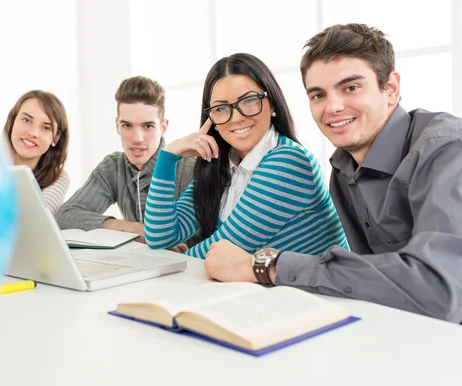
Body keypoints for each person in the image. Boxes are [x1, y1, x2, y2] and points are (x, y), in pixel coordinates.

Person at [204, 24, 462, 323]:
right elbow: (372, 281)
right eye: (318, 95)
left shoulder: (446, 150)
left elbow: (442, 289)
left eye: (351, 87)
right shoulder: (343, 168)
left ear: (390, 89)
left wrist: (268, 266)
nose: (333, 107)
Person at [144, 53, 348, 259]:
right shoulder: (221, 166)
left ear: (273, 104)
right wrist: (168, 157)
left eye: (249, 101)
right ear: (211, 118)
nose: (238, 117)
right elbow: (159, 238)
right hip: (266, 289)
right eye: (221, 108)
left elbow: (218, 252)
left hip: (318, 291)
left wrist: (176, 259)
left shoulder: (290, 161)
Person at [56, 76, 195, 249]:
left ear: (163, 127)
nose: (137, 138)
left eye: (148, 126)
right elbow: (65, 217)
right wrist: (131, 228)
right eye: (127, 125)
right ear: (117, 125)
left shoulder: (190, 167)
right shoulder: (113, 167)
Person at [4, 90, 70, 214]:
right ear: (12, 121)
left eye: (46, 128)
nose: (33, 133)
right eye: (26, 120)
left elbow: (39, 219)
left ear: (55, 138)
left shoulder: (58, 178)